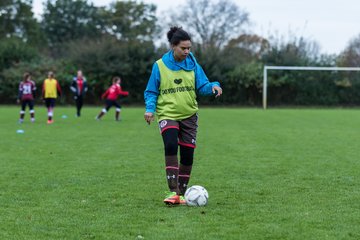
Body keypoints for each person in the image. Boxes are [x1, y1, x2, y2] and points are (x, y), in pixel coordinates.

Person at [144, 26, 223, 205]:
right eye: (183, 48)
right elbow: (151, 91)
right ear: (173, 46)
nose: (187, 51)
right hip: (167, 113)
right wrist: (150, 109)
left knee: (188, 156)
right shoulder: (160, 66)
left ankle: (182, 194)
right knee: (171, 145)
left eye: (189, 48)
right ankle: (172, 192)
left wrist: (212, 87)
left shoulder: (193, 65)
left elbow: (202, 86)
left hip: (189, 114)